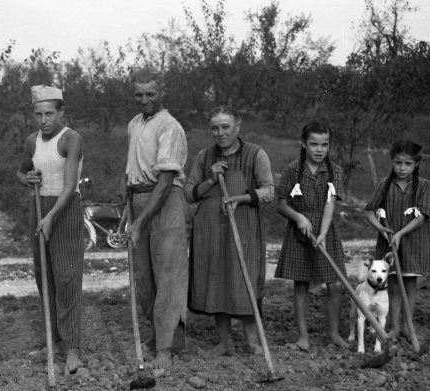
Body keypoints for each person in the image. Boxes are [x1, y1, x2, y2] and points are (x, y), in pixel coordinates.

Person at [184, 106, 274, 357]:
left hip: (243, 226)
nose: (220, 133)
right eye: (215, 128)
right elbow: (189, 193)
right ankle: (225, 342)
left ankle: (250, 341)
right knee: (217, 281)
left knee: (244, 280)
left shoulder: (256, 154)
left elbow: (269, 191)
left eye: (225, 127)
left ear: (237, 127)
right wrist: (211, 180)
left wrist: (242, 198)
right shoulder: (204, 156)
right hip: (210, 228)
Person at [121, 67, 189, 370]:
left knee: (168, 275)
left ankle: (166, 348)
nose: (144, 99)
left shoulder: (170, 126)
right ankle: (165, 335)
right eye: (139, 93)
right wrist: (128, 201)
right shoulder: (135, 123)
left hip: (165, 201)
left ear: (161, 93)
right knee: (145, 278)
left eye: (150, 93)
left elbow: (164, 182)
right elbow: (134, 167)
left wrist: (140, 222)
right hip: (139, 199)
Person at [16, 85, 85, 375]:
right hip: (38, 207)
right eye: (38, 114)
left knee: (66, 276)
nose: (43, 120)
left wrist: (51, 217)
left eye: (48, 114)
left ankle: (72, 350)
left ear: (61, 112)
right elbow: (20, 171)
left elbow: (69, 187)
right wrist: (26, 177)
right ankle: (54, 340)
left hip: (65, 209)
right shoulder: (32, 141)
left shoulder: (71, 139)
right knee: (44, 277)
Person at [274, 122, 347, 351]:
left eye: (324, 145)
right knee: (301, 285)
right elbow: (281, 204)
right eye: (314, 144)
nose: (319, 149)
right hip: (300, 231)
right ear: (304, 144)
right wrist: (299, 218)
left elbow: (330, 204)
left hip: (326, 230)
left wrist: (323, 232)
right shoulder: (292, 170)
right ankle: (303, 337)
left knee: (335, 284)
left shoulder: (335, 171)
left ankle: (333, 334)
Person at [364, 139, 430, 341]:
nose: (402, 168)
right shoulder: (384, 185)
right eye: (398, 163)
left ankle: (408, 326)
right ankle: (394, 327)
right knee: (393, 284)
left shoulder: (424, 186)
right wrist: (380, 227)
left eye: (408, 164)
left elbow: (422, 216)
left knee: (410, 284)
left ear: (416, 164)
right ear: (392, 162)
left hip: (413, 242)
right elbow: (369, 211)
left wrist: (400, 233)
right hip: (388, 242)